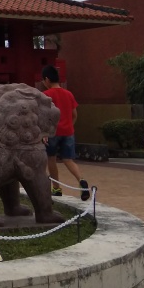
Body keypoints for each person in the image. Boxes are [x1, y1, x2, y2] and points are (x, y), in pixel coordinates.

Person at [41, 65, 90, 201]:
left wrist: (44, 133)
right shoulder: (69, 94)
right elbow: (75, 114)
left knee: (51, 158)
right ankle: (81, 180)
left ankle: (56, 188)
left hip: (52, 133)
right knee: (68, 160)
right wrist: (69, 126)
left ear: (47, 79)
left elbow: (44, 116)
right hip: (68, 132)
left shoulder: (46, 95)